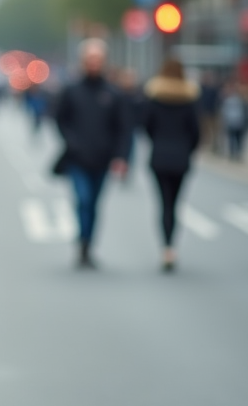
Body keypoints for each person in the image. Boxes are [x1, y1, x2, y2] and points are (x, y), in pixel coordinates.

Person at [53, 39, 131, 267]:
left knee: (95, 203)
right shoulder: (71, 90)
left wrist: (121, 157)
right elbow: (60, 119)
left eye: (97, 59)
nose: (94, 63)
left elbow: (124, 129)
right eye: (90, 59)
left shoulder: (113, 94)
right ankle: (82, 242)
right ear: (83, 61)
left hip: (102, 159)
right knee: (83, 200)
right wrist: (71, 142)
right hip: (77, 158)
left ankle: (88, 243)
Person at [142, 59, 201, 272]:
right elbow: (196, 132)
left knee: (164, 203)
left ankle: (166, 246)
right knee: (175, 204)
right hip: (181, 158)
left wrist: (158, 142)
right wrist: (187, 149)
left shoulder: (155, 97)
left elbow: (146, 126)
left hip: (159, 156)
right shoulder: (189, 98)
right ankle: (171, 245)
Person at [220, 81, 248, 160]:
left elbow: (247, 111)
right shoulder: (227, 99)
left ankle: (237, 152)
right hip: (231, 121)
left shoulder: (243, 100)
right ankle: (233, 152)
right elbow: (224, 110)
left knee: (238, 138)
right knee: (232, 138)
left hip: (240, 122)